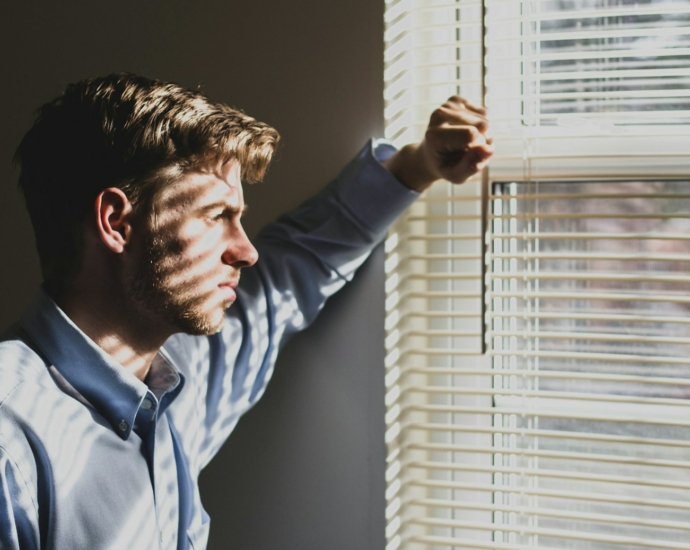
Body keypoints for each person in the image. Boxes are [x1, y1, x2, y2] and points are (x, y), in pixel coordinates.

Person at [0, 73, 492, 549]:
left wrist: (417, 166)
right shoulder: (10, 447)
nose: (246, 251)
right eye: (217, 217)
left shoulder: (179, 383)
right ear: (117, 222)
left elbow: (290, 271)